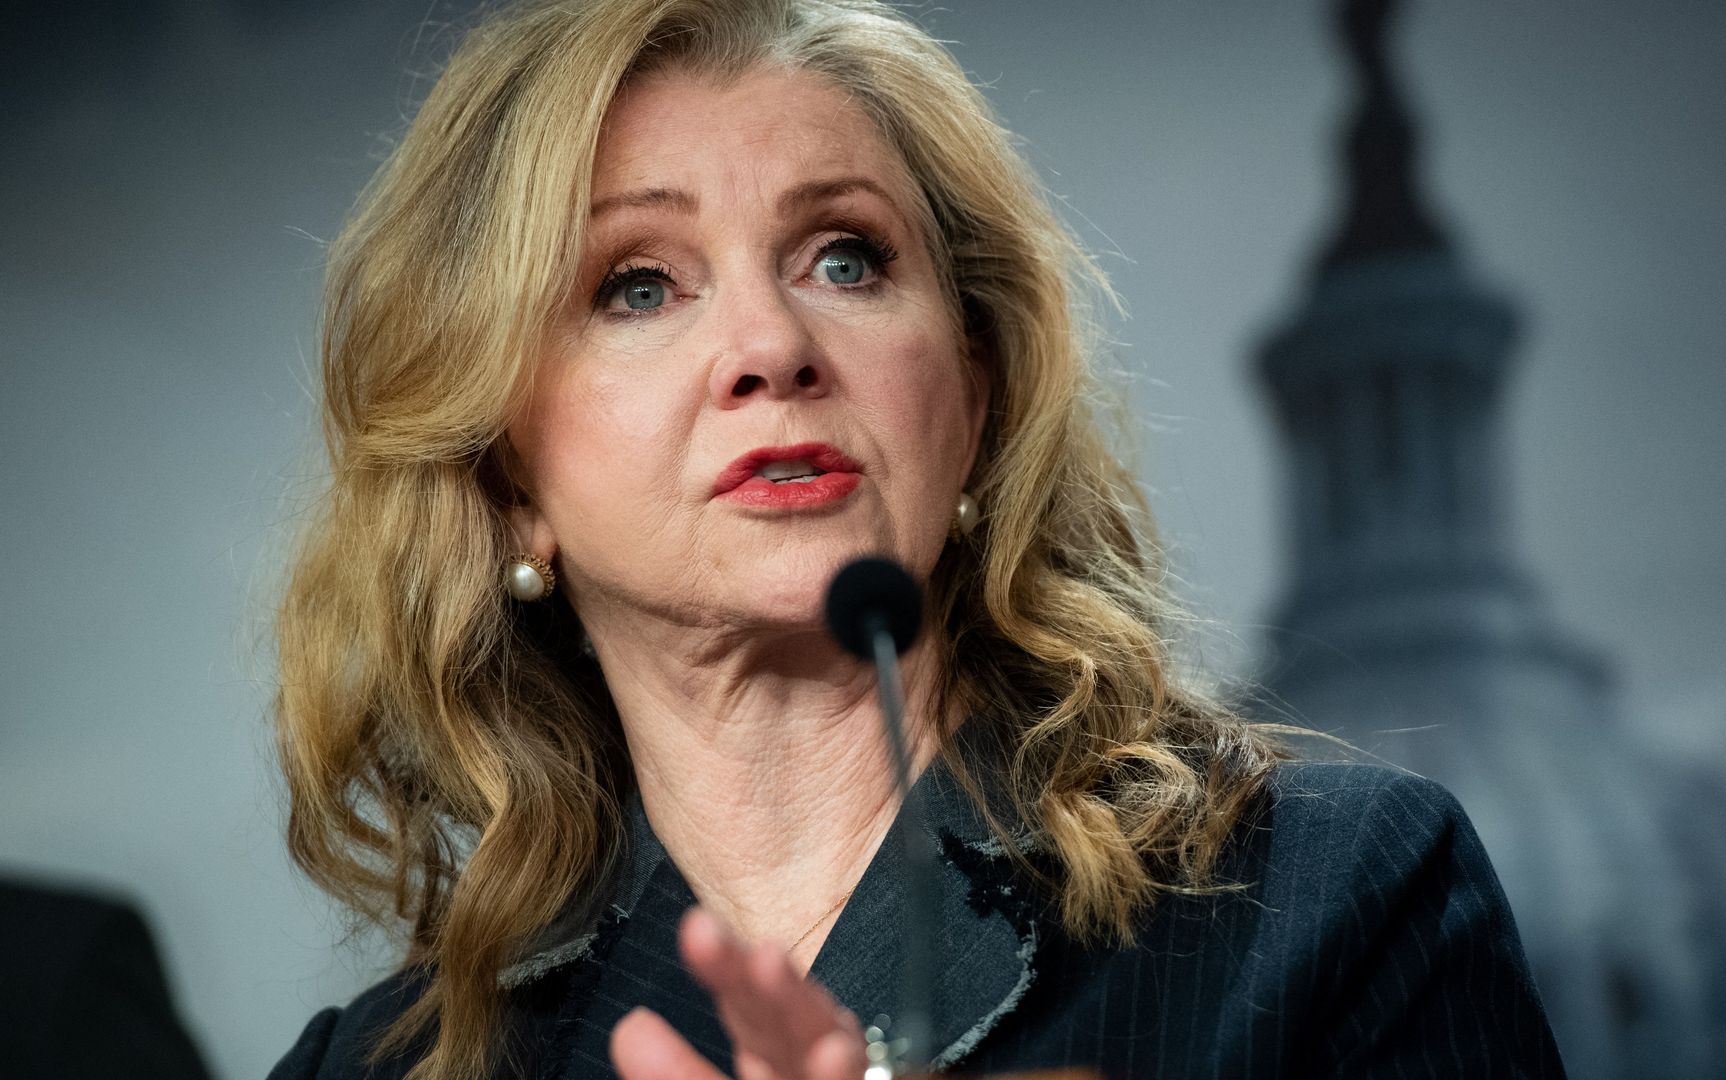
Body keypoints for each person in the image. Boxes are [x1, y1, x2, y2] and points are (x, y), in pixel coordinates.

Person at [268, 1, 1565, 1078]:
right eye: (638, 284)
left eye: (845, 259)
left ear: (975, 391)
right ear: (509, 480)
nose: (773, 348)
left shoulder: (1335, 906)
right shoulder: (382, 1066)